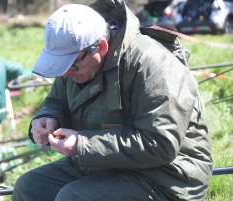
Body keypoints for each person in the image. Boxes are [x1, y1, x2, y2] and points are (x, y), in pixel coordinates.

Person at [13, 1, 213, 201]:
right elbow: (57, 101)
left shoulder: (151, 63)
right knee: (29, 187)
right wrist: (48, 118)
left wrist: (82, 145)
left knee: (73, 197)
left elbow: (160, 144)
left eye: (72, 65)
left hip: (167, 176)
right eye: (60, 66)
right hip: (105, 164)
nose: (65, 74)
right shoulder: (76, 61)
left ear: (101, 46)